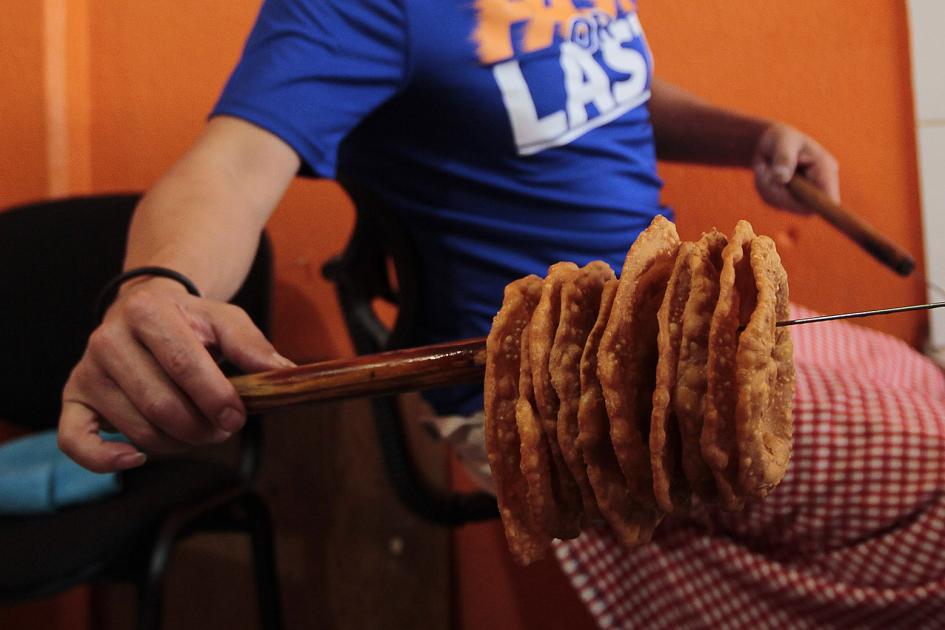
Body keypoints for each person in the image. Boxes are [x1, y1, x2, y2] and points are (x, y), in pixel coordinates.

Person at [59, 1, 945, 627]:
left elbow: (600, 84)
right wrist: (154, 289)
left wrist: (747, 136)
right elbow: (228, 168)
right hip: (540, 391)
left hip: (667, 327)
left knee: (923, 389)